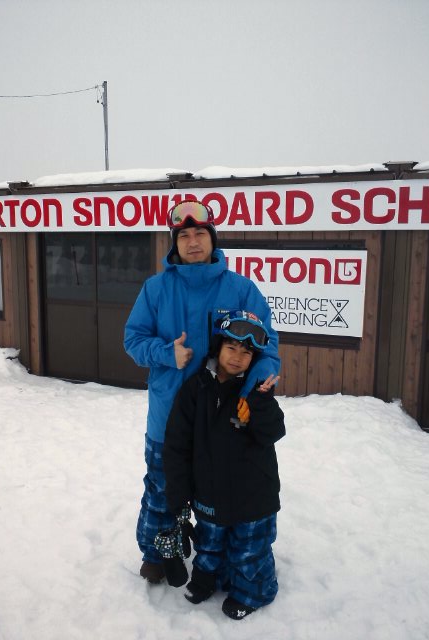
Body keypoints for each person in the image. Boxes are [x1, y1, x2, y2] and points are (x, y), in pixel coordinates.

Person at [124, 200, 280, 584]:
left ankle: (218, 559)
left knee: (220, 495)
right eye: (184, 236)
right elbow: (133, 340)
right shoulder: (155, 289)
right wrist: (167, 353)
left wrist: (251, 391)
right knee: (163, 490)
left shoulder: (241, 289)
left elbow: (268, 347)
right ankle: (157, 554)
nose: (193, 242)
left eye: (200, 234)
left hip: (224, 422)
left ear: (212, 239)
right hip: (168, 419)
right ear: (174, 243)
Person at [162, 310, 286, 619]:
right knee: (210, 543)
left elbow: (274, 432)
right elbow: (177, 444)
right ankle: (208, 579)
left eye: (246, 352)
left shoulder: (256, 391)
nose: (238, 357)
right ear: (218, 348)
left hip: (253, 495)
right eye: (231, 348)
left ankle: (253, 591)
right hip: (209, 490)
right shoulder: (196, 388)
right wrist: (179, 494)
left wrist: (259, 405)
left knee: (249, 550)